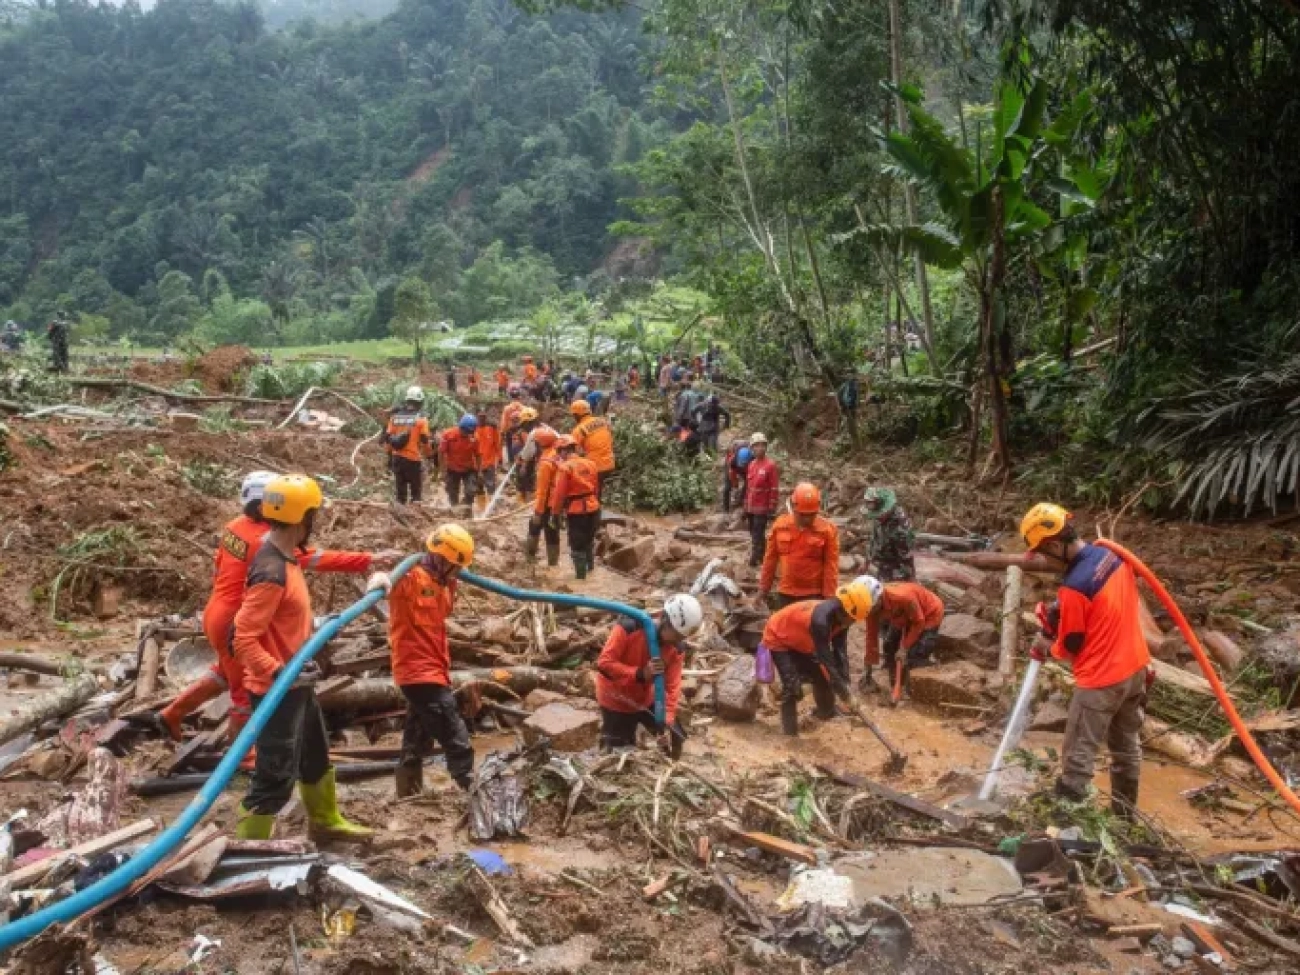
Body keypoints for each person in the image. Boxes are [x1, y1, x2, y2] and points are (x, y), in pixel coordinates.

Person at [154, 473, 389, 757]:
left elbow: (219, 567)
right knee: (242, 691)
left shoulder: (235, 528)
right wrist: (364, 560)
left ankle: (172, 714)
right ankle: (244, 755)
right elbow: (311, 558)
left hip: (217, 610)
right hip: (234, 619)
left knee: (225, 673)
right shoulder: (266, 544)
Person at [231, 475, 373, 842]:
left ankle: (325, 822)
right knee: (274, 780)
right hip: (276, 688)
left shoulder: (286, 554)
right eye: (314, 514)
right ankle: (246, 850)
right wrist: (278, 672)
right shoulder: (271, 571)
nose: (316, 521)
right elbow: (242, 638)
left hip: (297, 679)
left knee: (315, 757)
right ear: (302, 518)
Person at [1021, 503, 1152, 818]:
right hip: (1135, 667)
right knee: (1125, 749)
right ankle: (1125, 817)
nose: (1045, 561)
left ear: (1055, 545)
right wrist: (1059, 611)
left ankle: (1066, 826)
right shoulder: (1110, 555)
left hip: (1101, 681)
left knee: (1078, 756)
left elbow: (1071, 645)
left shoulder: (1075, 587)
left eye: (1043, 554)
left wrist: (1047, 643)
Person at [368, 525, 476, 796]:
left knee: (418, 735)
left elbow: (445, 606)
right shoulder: (411, 578)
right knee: (453, 731)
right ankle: (472, 787)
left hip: (436, 668)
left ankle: (408, 794)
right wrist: (380, 576)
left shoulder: (445, 583)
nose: (459, 572)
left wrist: (453, 578)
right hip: (417, 672)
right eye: (456, 567)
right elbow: (388, 584)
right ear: (441, 560)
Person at [596, 594, 704, 758]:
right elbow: (604, 663)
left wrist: (665, 721)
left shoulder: (676, 648)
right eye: (676, 636)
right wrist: (640, 673)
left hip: (646, 697)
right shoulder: (629, 627)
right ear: (665, 622)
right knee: (620, 751)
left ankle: (671, 764)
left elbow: (672, 686)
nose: (677, 642)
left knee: (676, 736)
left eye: (682, 638)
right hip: (616, 698)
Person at [759, 583, 872, 737]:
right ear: (846, 611)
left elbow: (840, 653)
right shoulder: (821, 621)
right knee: (792, 688)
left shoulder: (841, 619)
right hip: (780, 637)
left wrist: (846, 686)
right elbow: (827, 662)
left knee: (822, 678)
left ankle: (826, 712)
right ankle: (790, 735)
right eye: (853, 619)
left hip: (804, 639)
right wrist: (846, 696)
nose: (853, 623)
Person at [858, 575, 945, 703]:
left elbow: (918, 623)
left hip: (928, 614)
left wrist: (904, 647)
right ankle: (895, 682)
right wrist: (868, 668)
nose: (871, 611)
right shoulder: (870, 607)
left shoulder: (903, 597)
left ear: (879, 597)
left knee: (915, 655)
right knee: (889, 645)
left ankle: (914, 689)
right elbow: (871, 636)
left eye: (873, 607)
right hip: (901, 616)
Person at [759, 483, 840, 609]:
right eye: (802, 515)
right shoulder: (780, 526)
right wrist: (763, 589)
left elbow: (831, 565)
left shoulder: (827, 530)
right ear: (793, 508)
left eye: (811, 514)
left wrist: (829, 597)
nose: (807, 519)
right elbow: (770, 559)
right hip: (786, 592)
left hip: (814, 594)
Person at [551, 435, 601, 580]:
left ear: (564, 451)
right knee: (588, 542)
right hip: (593, 508)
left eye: (559, 452)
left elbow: (559, 495)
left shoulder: (565, 468)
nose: (559, 456)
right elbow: (596, 489)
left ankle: (581, 580)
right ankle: (591, 572)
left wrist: (555, 514)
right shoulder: (591, 463)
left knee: (577, 546)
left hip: (577, 511)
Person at [386, 386, 434, 505]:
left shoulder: (395, 418)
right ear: (420, 402)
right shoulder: (421, 420)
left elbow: (389, 439)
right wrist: (429, 456)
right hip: (412, 459)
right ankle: (416, 519)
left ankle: (400, 516)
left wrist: (389, 457)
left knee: (400, 494)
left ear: (407, 401)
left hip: (397, 457)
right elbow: (424, 441)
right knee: (416, 495)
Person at [525, 427, 562, 565]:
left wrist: (538, 511)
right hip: (557, 503)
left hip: (547, 503)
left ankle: (529, 558)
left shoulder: (546, 462)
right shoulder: (557, 454)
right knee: (553, 532)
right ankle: (553, 565)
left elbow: (542, 490)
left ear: (540, 444)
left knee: (534, 527)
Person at [863, 488, 915, 582]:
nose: (878, 518)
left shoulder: (900, 526)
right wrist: (867, 562)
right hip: (883, 564)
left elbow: (906, 557)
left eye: (880, 516)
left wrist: (906, 578)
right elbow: (873, 540)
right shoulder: (878, 520)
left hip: (897, 567)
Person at [743, 433, 780, 567]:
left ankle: (755, 558)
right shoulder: (751, 465)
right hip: (752, 506)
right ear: (752, 448)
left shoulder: (770, 466)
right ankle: (763, 556)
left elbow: (774, 488)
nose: (760, 448)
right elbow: (748, 487)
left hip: (763, 507)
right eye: (756, 446)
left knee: (758, 532)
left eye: (762, 445)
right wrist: (745, 506)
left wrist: (772, 506)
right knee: (753, 532)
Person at [570, 399, 616, 499]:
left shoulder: (578, 430)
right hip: (610, 463)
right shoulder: (602, 421)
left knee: (591, 495)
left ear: (576, 415)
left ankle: (594, 511)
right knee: (597, 490)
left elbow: (574, 454)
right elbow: (609, 437)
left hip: (595, 467)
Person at [438, 414, 481, 507]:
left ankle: (467, 509)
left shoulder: (474, 438)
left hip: (469, 469)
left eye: (469, 432)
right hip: (452, 469)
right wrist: (443, 471)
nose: (466, 434)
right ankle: (455, 511)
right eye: (465, 431)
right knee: (452, 494)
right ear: (461, 427)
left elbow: (478, 455)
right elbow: (441, 453)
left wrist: (479, 471)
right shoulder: (448, 435)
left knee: (471, 491)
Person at [514, 407, 549, 498]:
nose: (524, 426)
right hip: (549, 457)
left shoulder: (533, 433)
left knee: (532, 478)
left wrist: (523, 465)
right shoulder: (545, 427)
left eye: (524, 424)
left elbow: (529, 451)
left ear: (528, 422)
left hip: (545, 459)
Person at [474, 407, 502, 499]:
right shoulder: (473, 429)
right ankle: (481, 510)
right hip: (476, 463)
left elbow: (497, 444)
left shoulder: (492, 428)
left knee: (490, 485)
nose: (482, 419)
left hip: (489, 462)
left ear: (486, 418)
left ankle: (491, 509)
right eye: (480, 417)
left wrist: (500, 458)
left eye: (483, 417)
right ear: (477, 418)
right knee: (478, 487)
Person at [722, 441, 751, 513]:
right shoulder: (732, 461)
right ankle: (726, 510)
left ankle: (742, 501)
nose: (743, 466)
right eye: (742, 464)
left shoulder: (753, 458)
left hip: (747, 467)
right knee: (727, 487)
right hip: (733, 466)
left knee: (748, 483)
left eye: (744, 464)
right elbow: (732, 474)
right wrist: (735, 487)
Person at [501, 388, 525, 464]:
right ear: (519, 397)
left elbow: (504, 421)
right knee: (521, 445)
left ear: (511, 397)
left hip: (509, 430)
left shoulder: (507, 408)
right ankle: (519, 461)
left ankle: (511, 462)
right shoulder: (523, 408)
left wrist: (502, 431)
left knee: (509, 446)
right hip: (520, 430)